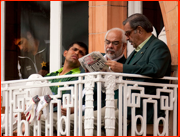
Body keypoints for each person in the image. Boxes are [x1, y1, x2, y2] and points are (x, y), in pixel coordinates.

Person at [105, 13, 171, 133]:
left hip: (143, 105)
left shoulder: (158, 46)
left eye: (128, 33)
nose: (127, 38)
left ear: (139, 30)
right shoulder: (137, 50)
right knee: (83, 119)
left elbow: (155, 69)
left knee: (93, 122)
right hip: (128, 101)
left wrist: (124, 68)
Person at [13, 41, 88, 136]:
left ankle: (29, 116)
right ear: (65, 53)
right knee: (8, 118)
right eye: (74, 49)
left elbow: (71, 101)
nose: (77, 53)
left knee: (35, 78)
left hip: (57, 110)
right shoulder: (51, 75)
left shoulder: (81, 77)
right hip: (42, 108)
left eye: (81, 53)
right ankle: (28, 112)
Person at [67, 28, 127, 136]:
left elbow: (116, 98)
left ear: (124, 46)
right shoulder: (94, 58)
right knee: (62, 122)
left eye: (115, 43)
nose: (110, 46)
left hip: (97, 108)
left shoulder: (125, 66)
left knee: (74, 123)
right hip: (79, 105)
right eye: (107, 42)